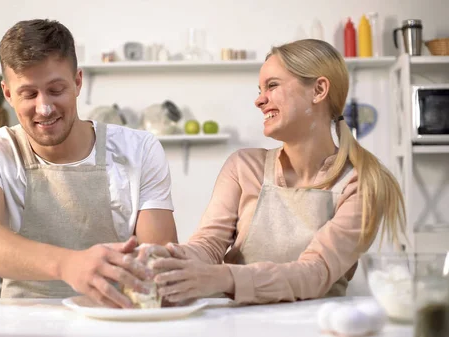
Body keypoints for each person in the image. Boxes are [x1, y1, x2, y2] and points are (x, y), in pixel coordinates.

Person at [139, 39, 406, 305]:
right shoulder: (243, 167)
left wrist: (222, 277)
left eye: (272, 85)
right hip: (236, 324)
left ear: (319, 90)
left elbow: (315, 272)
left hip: (318, 327)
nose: (259, 100)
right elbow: (208, 244)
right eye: (260, 89)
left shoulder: (361, 183)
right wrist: (169, 260)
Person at [0, 19, 178, 308]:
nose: (44, 108)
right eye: (29, 94)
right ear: (8, 94)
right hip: (24, 324)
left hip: (116, 320)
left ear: (77, 82)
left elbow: (157, 259)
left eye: (56, 90)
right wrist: (68, 265)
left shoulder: (139, 150)